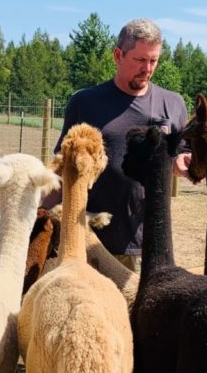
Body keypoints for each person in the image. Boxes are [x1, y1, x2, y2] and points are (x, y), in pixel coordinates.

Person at [48, 18, 189, 271]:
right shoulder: (85, 103)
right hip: (89, 238)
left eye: (153, 60)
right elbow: (63, 170)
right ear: (118, 55)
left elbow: (183, 157)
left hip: (148, 244)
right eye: (140, 60)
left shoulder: (173, 104)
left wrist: (181, 162)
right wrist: (39, 214)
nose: (148, 68)